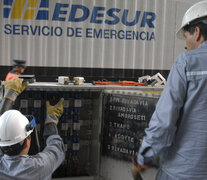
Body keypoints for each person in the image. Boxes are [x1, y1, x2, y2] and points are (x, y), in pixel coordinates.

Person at [132, 1, 207, 180]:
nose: (185, 45)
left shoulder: (187, 63)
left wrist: (143, 157)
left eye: (186, 36)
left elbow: (164, 123)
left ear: (197, 33)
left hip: (183, 171)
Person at [0, 78, 65, 180]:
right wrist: (52, 118)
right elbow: (57, 148)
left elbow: (3, 129)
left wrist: (9, 95)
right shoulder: (40, 167)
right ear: (27, 142)